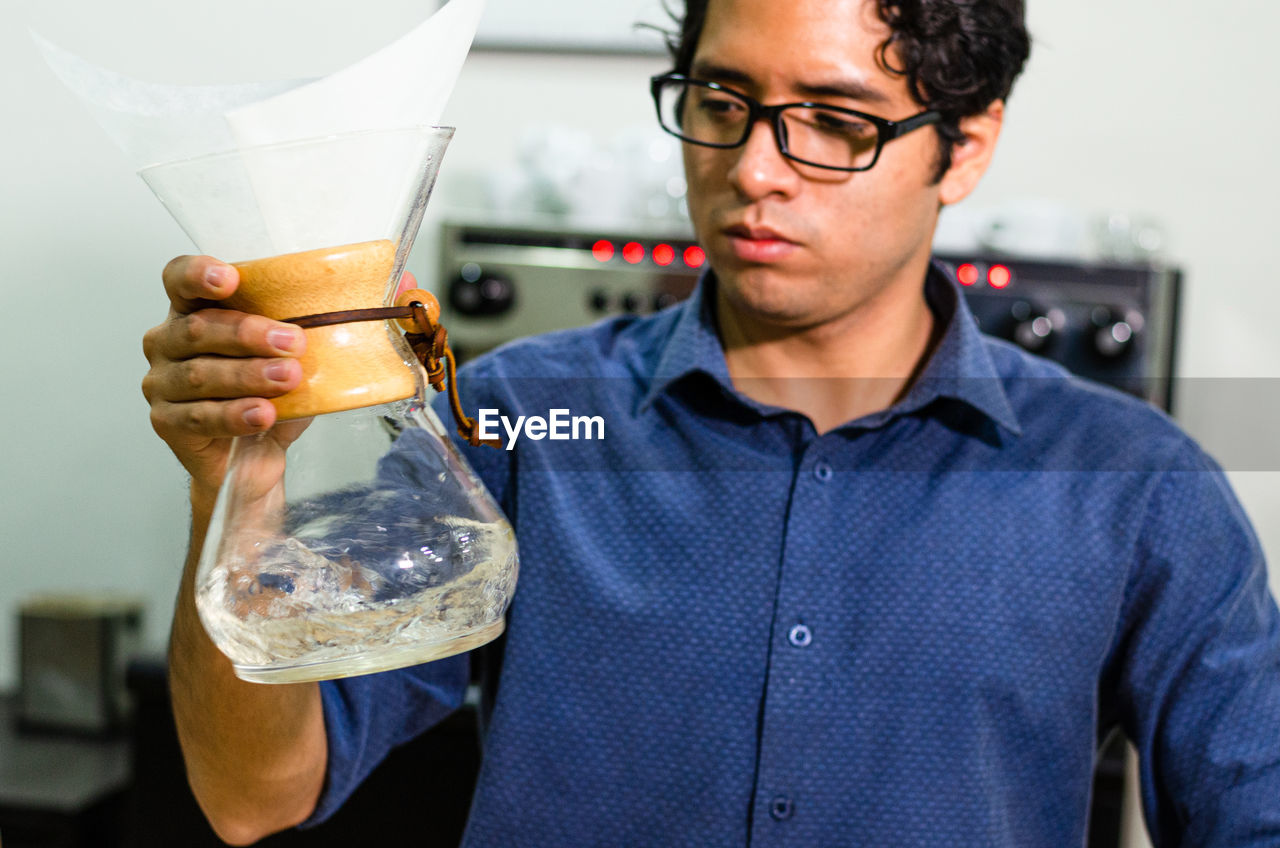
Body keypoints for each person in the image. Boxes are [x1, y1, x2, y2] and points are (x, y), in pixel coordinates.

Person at [142, 0, 1280, 845]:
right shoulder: (528, 418)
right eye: (719, 104)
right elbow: (257, 793)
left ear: (965, 144)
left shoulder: (1134, 486)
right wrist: (231, 476)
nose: (751, 170)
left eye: (834, 124)